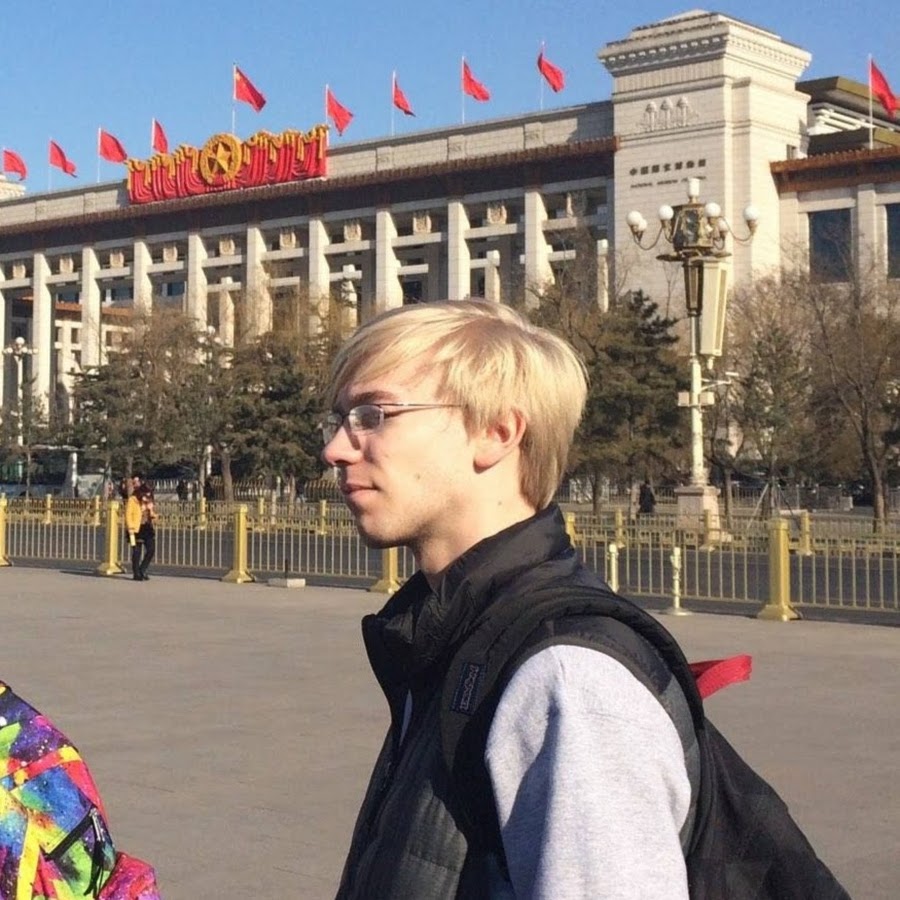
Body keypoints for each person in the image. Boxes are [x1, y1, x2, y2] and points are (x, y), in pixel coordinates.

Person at [323, 300, 693, 899]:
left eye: (374, 415)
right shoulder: (450, 633)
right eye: (340, 420)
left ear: (496, 433)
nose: (337, 449)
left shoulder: (566, 680)